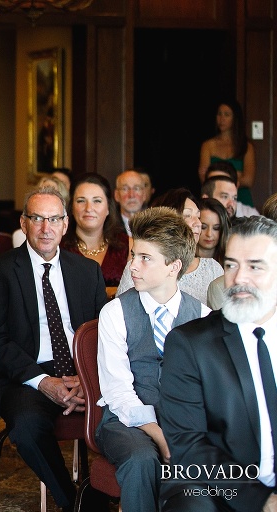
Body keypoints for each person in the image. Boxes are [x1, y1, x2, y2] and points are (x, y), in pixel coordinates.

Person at [0, 187, 107, 512]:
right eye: (37, 219)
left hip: (82, 375)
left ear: (66, 224)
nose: (46, 228)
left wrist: (85, 377)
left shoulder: (86, 271)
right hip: (25, 376)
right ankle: (76, 502)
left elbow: (103, 334)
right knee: (26, 427)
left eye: (53, 219)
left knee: (128, 416)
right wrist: (42, 381)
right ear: (24, 223)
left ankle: (114, 494)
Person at [161, 215, 277, 512]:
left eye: (254, 266)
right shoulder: (190, 344)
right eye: (231, 265)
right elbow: (188, 445)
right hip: (218, 490)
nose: (238, 278)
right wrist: (262, 501)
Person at [96, 207, 209, 512]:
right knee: (142, 459)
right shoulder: (115, 312)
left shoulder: (203, 316)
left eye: (145, 258)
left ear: (174, 267)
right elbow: (118, 392)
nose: (133, 266)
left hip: (184, 421)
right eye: (134, 255)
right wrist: (160, 437)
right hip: (125, 421)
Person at [116, 189, 223, 306]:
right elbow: (122, 311)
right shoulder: (136, 267)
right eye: (188, 215)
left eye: (198, 216)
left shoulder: (212, 269)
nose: (198, 223)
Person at [61, 172, 130, 289]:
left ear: (108, 207)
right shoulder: (58, 246)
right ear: (71, 207)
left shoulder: (128, 245)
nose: (89, 208)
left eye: (97, 201)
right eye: (81, 201)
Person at [198, 99, 257, 206]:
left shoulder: (246, 146)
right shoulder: (208, 145)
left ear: (235, 118)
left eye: (227, 114)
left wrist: (215, 175)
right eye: (219, 114)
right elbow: (204, 178)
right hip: (215, 199)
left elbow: (249, 180)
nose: (222, 118)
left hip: (241, 198)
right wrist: (237, 175)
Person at [12, 174, 69, 248]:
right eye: (37, 219)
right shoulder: (20, 235)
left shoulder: (70, 239)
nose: (46, 230)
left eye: (54, 219)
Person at [114, 169, 150, 236]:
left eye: (136, 188)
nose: (131, 195)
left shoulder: (153, 225)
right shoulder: (108, 226)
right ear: (116, 195)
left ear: (144, 194)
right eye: (125, 189)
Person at [198, 197, 230, 264]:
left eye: (216, 228)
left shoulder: (229, 260)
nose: (209, 234)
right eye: (203, 227)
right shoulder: (181, 259)